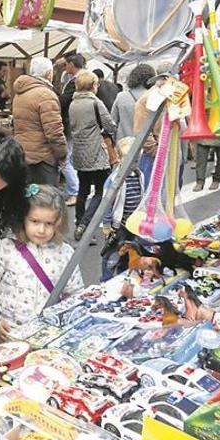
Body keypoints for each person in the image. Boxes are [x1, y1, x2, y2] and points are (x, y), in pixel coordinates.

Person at [0, 184, 84, 337]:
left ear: (58, 223)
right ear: (22, 218)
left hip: (49, 334)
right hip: (10, 333)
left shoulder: (65, 253)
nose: (41, 230)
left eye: (49, 223)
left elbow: (75, 293)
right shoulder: (5, 249)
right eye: (35, 221)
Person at [69, 71, 115, 241]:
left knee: (83, 190)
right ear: (92, 86)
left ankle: (79, 222)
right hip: (96, 152)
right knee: (100, 192)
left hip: (80, 152)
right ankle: (85, 224)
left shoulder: (73, 104)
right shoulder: (95, 103)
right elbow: (110, 125)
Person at [12, 57, 67, 186]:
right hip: (43, 157)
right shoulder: (46, 95)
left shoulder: (20, 93)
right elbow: (54, 132)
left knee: (29, 198)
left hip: (23, 152)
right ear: (48, 73)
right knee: (46, 200)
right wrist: (62, 153)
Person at [100, 138, 145, 281]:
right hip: (118, 226)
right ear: (119, 158)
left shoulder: (139, 175)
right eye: (129, 159)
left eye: (135, 160)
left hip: (133, 224)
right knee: (113, 254)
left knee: (129, 251)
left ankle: (123, 276)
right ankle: (106, 280)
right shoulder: (115, 179)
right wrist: (107, 224)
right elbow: (106, 203)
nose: (133, 163)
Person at [134, 69, 180, 189]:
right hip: (155, 154)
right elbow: (141, 131)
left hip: (169, 150)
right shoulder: (148, 98)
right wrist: (155, 151)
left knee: (169, 191)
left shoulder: (169, 96)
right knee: (152, 193)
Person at [57, 52, 85, 205]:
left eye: (66, 64)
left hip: (69, 124)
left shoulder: (76, 81)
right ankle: (72, 189)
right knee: (71, 158)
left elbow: (63, 100)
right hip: (77, 124)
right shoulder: (81, 79)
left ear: (71, 65)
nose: (65, 67)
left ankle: (74, 190)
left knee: (64, 159)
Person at [111, 63, 154, 142]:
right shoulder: (154, 97)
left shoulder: (121, 96)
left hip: (123, 145)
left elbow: (113, 122)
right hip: (144, 145)